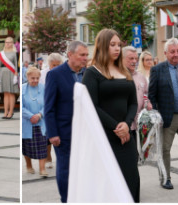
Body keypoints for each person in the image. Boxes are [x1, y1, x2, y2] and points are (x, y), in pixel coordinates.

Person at [82, 29, 139, 201]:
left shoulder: (125, 71)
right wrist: (116, 126)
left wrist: (126, 125)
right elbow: (91, 105)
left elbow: (133, 103)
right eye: (112, 45)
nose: (116, 49)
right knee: (108, 183)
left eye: (118, 45)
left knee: (131, 179)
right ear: (102, 46)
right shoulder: (92, 73)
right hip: (104, 136)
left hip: (126, 135)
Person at [44, 40, 88, 203]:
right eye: (82, 55)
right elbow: (49, 106)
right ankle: (66, 199)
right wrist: (53, 133)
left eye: (86, 55)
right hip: (64, 133)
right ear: (70, 55)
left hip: (85, 131)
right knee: (65, 169)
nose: (85, 58)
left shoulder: (87, 74)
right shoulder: (55, 74)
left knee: (83, 168)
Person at [148, 38, 178, 189]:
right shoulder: (157, 69)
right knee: (165, 149)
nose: (176, 54)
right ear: (165, 53)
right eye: (172, 52)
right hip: (167, 118)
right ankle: (165, 178)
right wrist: (156, 116)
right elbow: (152, 95)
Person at [22, 66, 48, 177]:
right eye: (33, 78)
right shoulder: (23, 88)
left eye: (37, 78)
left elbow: (48, 104)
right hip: (27, 123)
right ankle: (29, 166)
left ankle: (42, 169)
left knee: (42, 146)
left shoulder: (43, 88)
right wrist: (30, 116)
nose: (35, 80)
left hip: (41, 122)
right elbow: (21, 107)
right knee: (27, 146)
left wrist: (39, 115)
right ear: (27, 77)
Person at [0, 36, 19, 119]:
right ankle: (5, 112)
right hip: (3, 74)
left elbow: (16, 65)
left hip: (11, 73)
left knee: (11, 93)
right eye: (6, 42)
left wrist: (15, 75)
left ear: (12, 43)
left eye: (9, 42)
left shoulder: (14, 53)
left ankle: (11, 112)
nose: (7, 44)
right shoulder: (1, 53)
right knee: (5, 93)